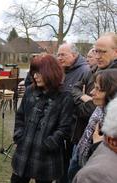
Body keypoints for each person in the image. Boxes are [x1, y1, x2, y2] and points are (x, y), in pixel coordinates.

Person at [11, 54, 74, 183]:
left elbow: (65, 128)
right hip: (24, 151)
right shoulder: (30, 91)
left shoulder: (64, 97)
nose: (34, 76)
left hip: (47, 157)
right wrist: (19, 135)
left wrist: (48, 144)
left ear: (50, 72)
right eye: (33, 72)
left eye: (39, 73)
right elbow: (20, 115)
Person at [68, 32, 117, 181]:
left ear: (116, 51)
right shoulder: (95, 69)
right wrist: (85, 98)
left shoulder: (113, 77)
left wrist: (79, 107)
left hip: (99, 152)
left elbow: (92, 110)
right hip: (84, 141)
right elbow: (74, 89)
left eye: (103, 51)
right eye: (96, 51)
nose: (97, 56)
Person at [73, 72, 117, 183]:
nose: (92, 92)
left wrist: (97, 144)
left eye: (98, 89)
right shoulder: (100, 108)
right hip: (82, 157)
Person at [57, 43, 90, 183]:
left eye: (62, 54)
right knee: (61, 160)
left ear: (74, 55)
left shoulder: (85, 71)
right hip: (61, 123)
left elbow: (87, 103)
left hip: (75, 127)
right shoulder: (63, 70)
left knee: (71, 162)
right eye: (58, 54)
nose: (59, 58)